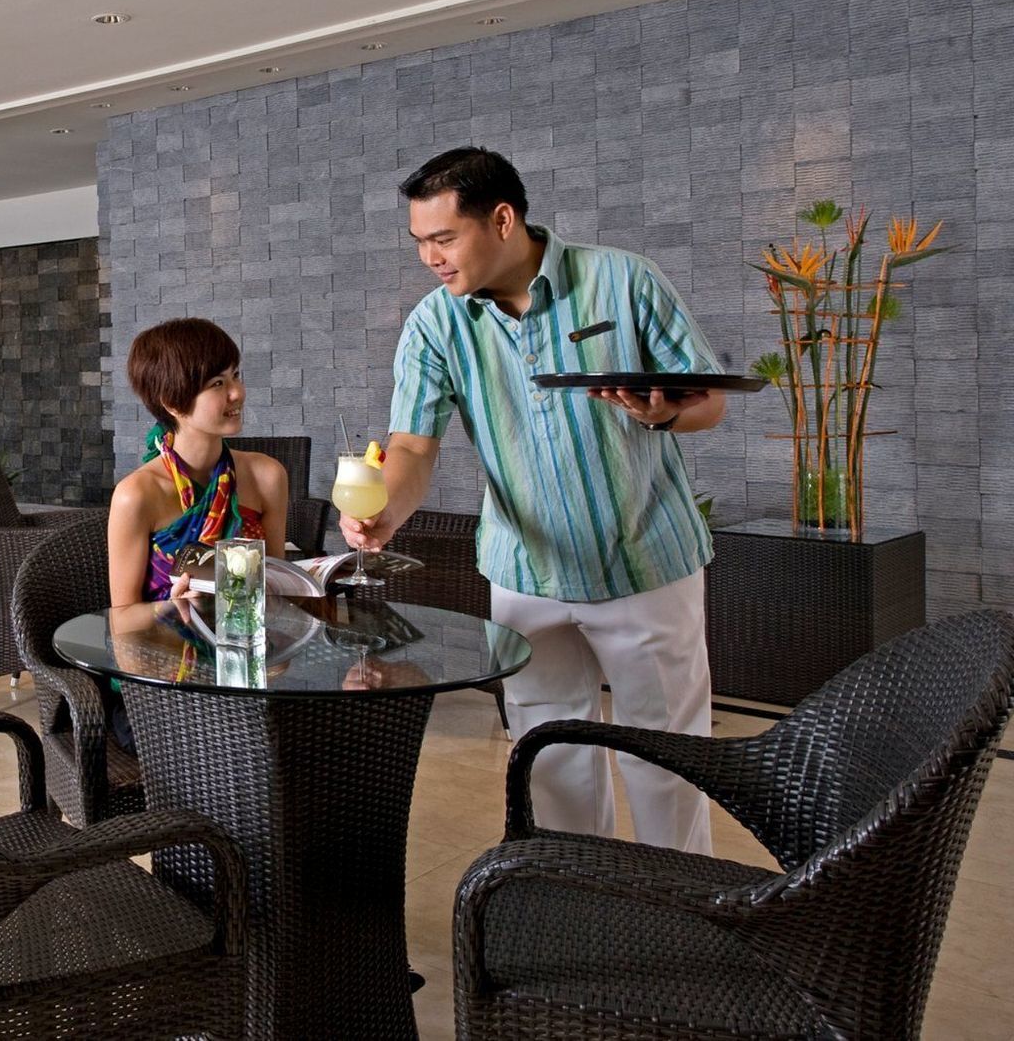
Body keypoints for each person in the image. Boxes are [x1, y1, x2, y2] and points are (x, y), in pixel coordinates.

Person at [341, 146, 725, 854]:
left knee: (668, 757)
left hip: (645, 561)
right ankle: (578, 907)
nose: (430, 257)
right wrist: (387, 510)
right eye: (420, 242)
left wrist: (663, 412)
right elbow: (415, 448)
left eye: (443, 238)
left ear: (504, 219)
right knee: (551, 761)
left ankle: (680, 918)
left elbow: (707, 405)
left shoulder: (621, 280)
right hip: (525, 577)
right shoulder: (434, 324)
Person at [109, 318, 289, 607]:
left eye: (235, 375)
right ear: (172, 402)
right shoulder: (136, 495)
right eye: (217, 383)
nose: (237, 393)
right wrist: (172, 608)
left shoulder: (267, 476)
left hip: (247, 640)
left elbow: (279, 593)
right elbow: (122, 617)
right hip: (159, 646)